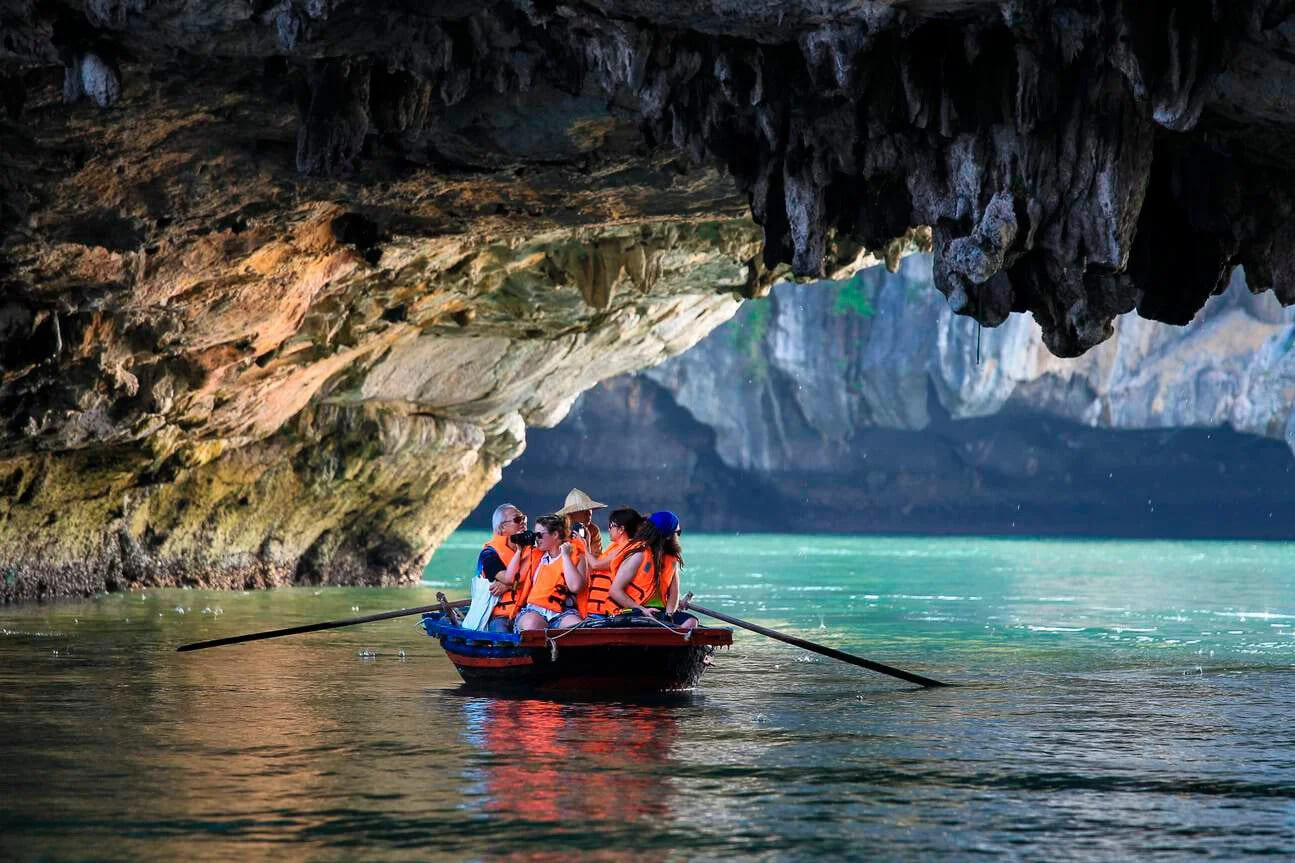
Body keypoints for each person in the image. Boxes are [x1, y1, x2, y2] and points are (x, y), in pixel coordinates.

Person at [608, 510, 697, 629]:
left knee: (691, 622)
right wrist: (642, 609)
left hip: (660, 612)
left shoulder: (671, 559)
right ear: (669, 536)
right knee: (648, 621)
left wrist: (669, 614)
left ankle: (672, 642)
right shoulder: (639, 555)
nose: (677, 537)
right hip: (634, 610)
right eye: (678, 533)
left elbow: (674, 593)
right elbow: (615, 591)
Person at [513, 515, 585, 631]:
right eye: (535, 535)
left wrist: (566, 556)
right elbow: (514, 578)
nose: (537, 539)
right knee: (531, 625)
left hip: (563, 612)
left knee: (577, 628)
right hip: (534, 610)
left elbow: (576, 586)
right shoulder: (535, 555)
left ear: (555, 535)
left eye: (540, 535)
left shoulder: (577, 555)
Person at [476, 503, 535, 633]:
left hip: (527, 611)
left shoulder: (533, 550)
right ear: (502, 527)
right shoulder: (489, 554)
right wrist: (510, 585)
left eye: (524, 518)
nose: (523, 523)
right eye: (518, 520)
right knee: (500, 633)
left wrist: (508, 587)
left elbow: (540, 578)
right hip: (499, 615)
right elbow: (508, 578)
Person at [583, 507, 644, 617]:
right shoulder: (617, 547)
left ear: (621, 529)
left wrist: (585, 545)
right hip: (596, 609)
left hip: (604, 611)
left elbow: (596, 565)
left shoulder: (626, 548)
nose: (609, 529)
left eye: (611, 526)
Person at [555, 488, 605, 560]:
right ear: (571, 513)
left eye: (589, 509)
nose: (589, 514)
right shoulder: (558, 530)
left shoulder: (593, 530)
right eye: (584, 510)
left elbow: (596, 557)